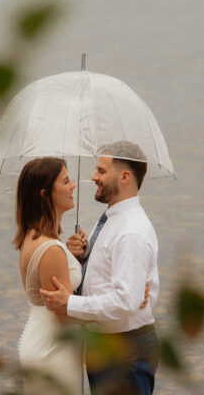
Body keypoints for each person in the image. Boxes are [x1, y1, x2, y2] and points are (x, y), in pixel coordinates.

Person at [40, 142, 159, 395]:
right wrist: (83, 257)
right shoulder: (109, 220)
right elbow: (109, 276)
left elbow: (126, 302)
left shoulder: (130, 231)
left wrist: (69, 303)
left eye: (101, 171)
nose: (94, 177)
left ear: (124, 177)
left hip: (125, 351)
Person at [14, 157, 84, 394]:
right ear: (45, 194)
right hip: (54, 349)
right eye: (66, 181)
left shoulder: (35, 237)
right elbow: (64, 316)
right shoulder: (51, 249)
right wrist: (117, 312)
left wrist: (74, 257)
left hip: (42, 340)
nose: (73, 185)